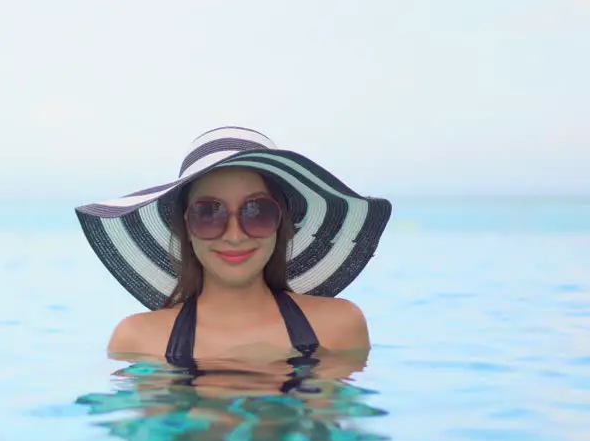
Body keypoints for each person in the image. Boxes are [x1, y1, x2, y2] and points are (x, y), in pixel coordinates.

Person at [74, 126, 392, 368]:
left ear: (282, 222)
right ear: (185, 227)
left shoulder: (339, 326)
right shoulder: (139, 339)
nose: (235, 235)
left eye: (257, 212)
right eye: (209, 214)